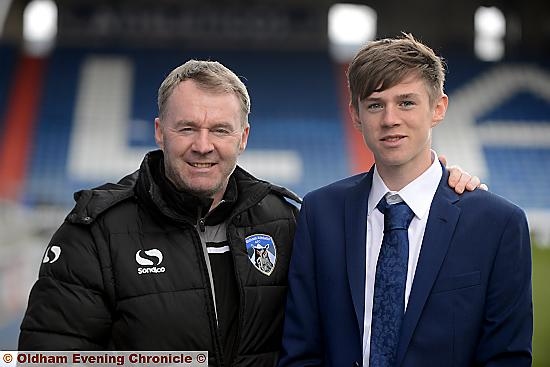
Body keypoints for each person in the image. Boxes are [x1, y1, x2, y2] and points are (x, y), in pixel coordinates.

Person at [19, 59, 482, 366]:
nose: (204, 145)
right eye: (187, 128)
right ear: (160, 131)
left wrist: (437, 181)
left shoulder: (285, 220)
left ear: (243, 137)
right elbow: (50, 357)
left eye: (220, 129)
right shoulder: (96, 231)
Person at [278, 34, 532, 367]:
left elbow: (506, 358)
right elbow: (300, 350)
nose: (389, 119)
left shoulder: (497, 224)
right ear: (355, 114)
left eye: (407, 102)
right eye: (374, 104)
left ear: (438, 108)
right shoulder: (320, 213)